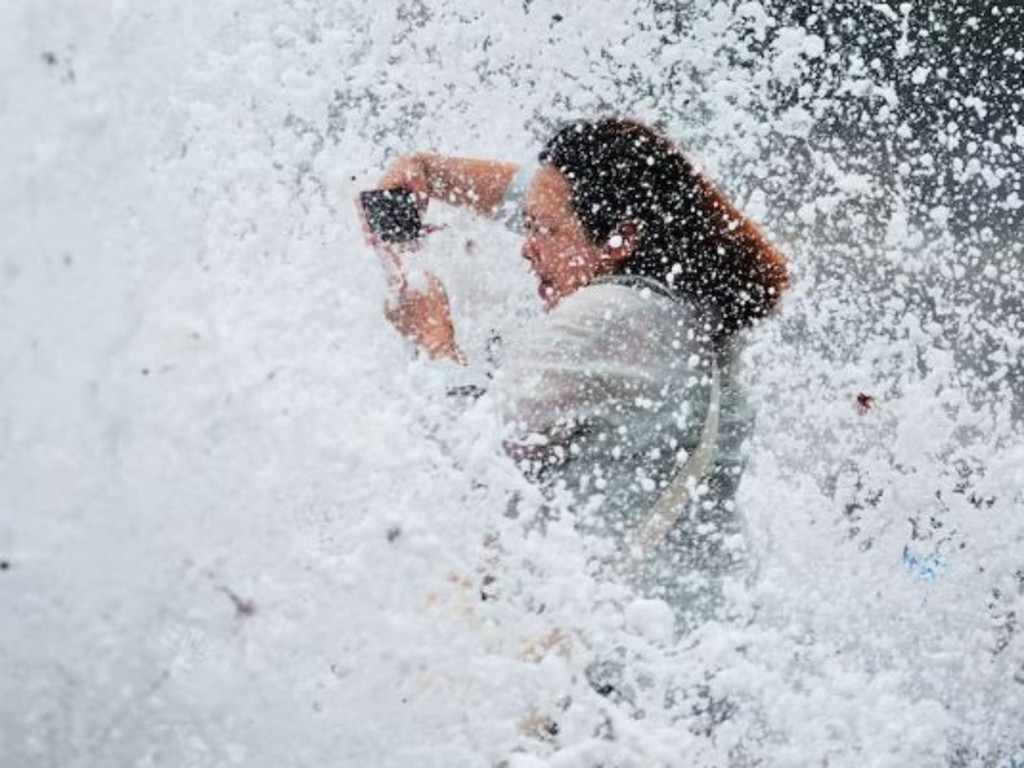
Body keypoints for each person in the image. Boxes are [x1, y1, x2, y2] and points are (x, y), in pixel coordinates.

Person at [365, 117, 789, 629]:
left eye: (541, 229)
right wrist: (430, 172)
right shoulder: (691, 310)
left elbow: (474, 458)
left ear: (621, 238)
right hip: (704, 643)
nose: (526, 246)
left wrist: (433, 340)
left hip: (616, 666)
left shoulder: (609, 315)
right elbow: (544, 195)